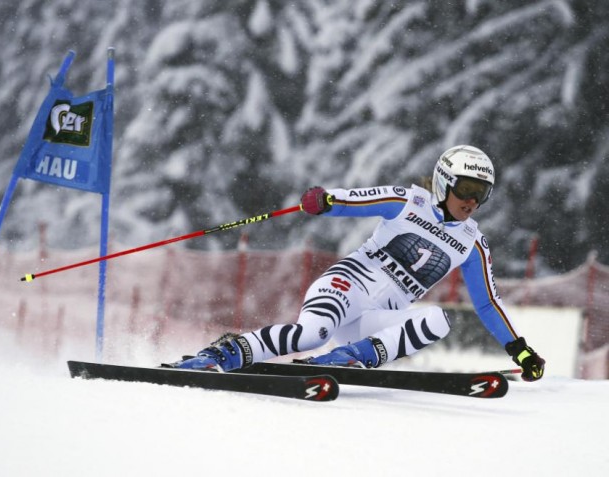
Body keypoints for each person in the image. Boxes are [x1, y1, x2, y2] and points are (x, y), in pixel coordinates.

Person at [169, 145, 546, 382]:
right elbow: (356, 200)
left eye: (481, 195)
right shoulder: (408, 202)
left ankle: (349, 359)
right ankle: (219, 355)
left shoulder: (472, 243)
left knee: (438, 320)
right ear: (445, 183)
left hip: (372, 319)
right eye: (466, 190)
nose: (472, 202)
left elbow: (487, 303)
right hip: (347, 286)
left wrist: (520, 349)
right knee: (310, 334)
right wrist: (325, 200)